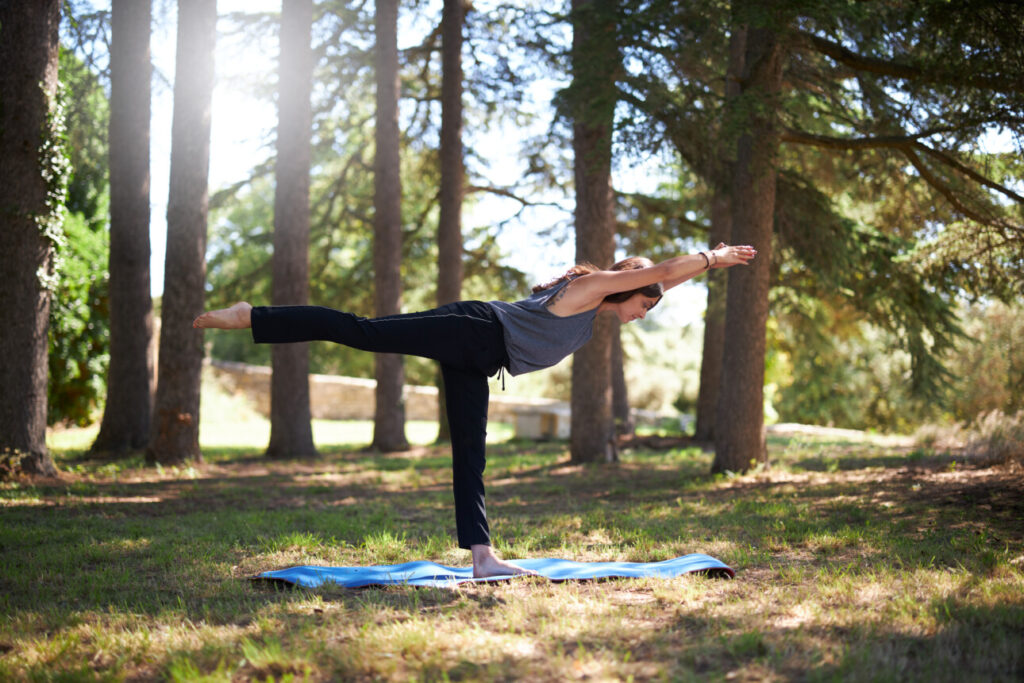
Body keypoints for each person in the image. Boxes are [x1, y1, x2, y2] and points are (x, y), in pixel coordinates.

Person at [193, 243, 757, 577]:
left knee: (471, 450)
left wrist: (697, 272)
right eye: (642, 306)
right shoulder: (597, 288)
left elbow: (660, 282)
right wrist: (713, 257)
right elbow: (658, 274)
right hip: (474, 328)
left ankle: (482, 555)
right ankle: (255, 316)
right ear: (626, 288)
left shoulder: (594, 303)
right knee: (363, 332)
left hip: (482, 356)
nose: (641, 313)